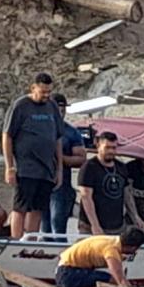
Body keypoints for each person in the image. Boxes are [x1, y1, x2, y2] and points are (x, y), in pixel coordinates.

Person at [2, 72, 64, 238]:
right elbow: (7, 136)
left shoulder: (52, 107)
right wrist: (10, 167)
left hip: (46, 169)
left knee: (38, 208)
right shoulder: (20, 105)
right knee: (21, 207)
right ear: (33, 88)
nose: (46, 95)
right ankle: (16, 241)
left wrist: (59, 170)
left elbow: (57, 138)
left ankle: (30, 241)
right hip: (25, 168)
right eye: (43, 92)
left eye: (49, 92)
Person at [40, 93, 86, 236]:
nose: (60, 112)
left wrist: (60, 158)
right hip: (40, 183)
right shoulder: (38, 128)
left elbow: (81, 158)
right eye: (56, 108)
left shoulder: (72, 132)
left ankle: (60, 253)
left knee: (57, 225)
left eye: (63, 108)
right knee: (44, 226)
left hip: (61, 187)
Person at [54, 228, 144, 287]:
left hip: (64, 270)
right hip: (67, 275)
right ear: (133, 247)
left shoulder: (111, 240)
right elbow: (120, 280)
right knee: (111, 281)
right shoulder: (111, 250)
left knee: (106, 279)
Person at [78, 131, 130, 235]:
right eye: (107, 147)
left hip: (117, 226)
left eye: (114, 148)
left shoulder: (121, 167)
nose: (111, 151)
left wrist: (136, 217)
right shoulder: (89, 167)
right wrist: (95, 225)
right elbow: (86, 197)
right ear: (98, 145)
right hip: (91, 226)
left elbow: (127, 194)